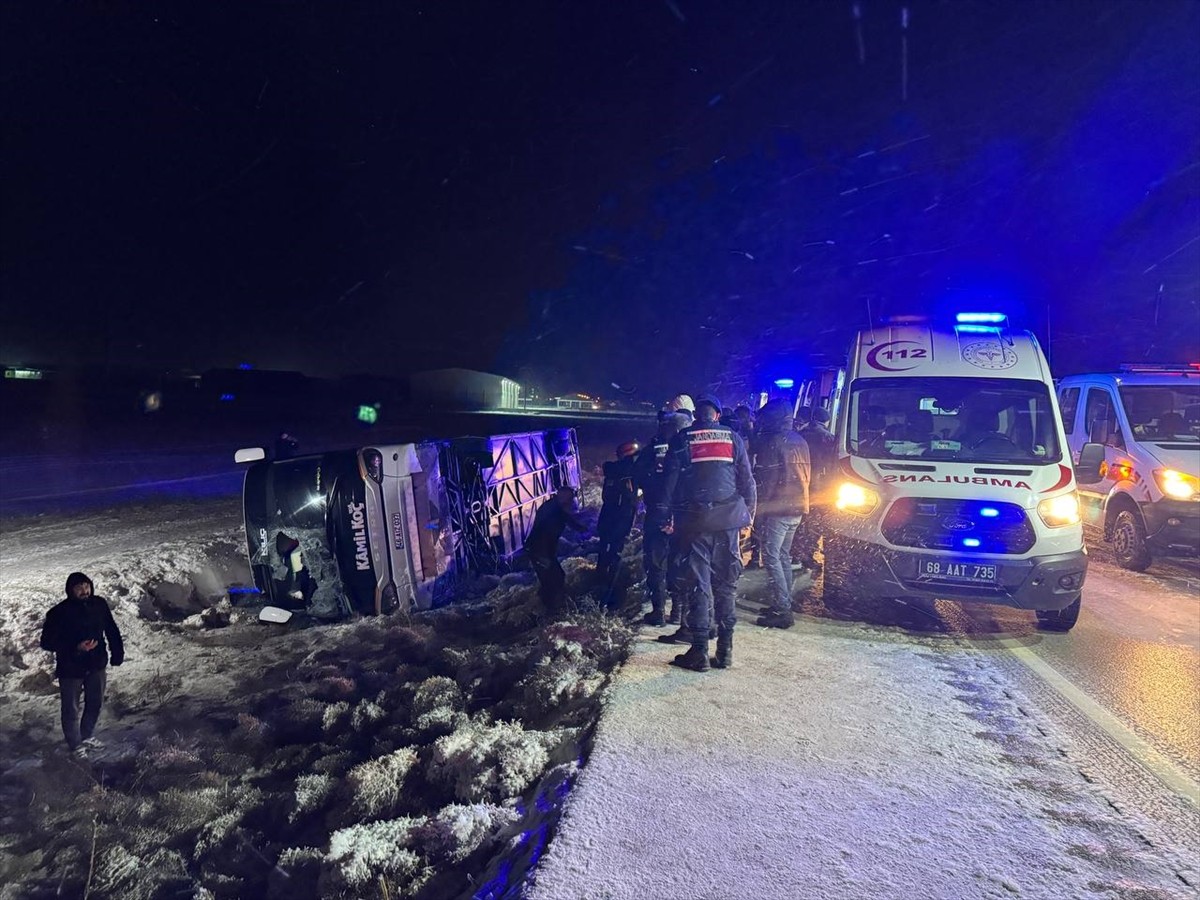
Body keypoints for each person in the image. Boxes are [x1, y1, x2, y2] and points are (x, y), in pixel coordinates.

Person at [656, 393, 756, 671]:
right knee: (727, 583)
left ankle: (699, 651)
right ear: (717, 414)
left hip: (695, 520)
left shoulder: (683, 438)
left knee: (699, 581)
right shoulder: (732, 437)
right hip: (729, 519)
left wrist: (664, 515)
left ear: (696, 414)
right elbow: (747, 479)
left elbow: (670, 482)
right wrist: (749, 515)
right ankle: (725, 651)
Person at [39, 572, 125, 760]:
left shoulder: (99, 604)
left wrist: (117, 653)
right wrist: (75, 646)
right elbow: (46, 642)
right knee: (71, 709)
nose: (84, 590)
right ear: (70, 590)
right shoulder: (58, 612)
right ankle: (75, 744)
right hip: (71, 668)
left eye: (86, 586)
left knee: (95, 703)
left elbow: (111, 629)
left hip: (96, 663)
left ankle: (86, 736)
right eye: (79, 587)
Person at [752, 400, 811, 629]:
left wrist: (760, 509)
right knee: (783, 556)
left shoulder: (773, 441)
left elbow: (768, 481)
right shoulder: (800, 440)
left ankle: (783, 610)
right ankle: (783, 601)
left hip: (779, 507)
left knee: (771, 556)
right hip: (798, 505)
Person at [634, 411, 691, 626]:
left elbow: (638, 476)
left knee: (655, 563)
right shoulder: (689, 451)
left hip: (657, 512)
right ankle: (678, 611)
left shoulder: (652, 451)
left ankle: (658, 611)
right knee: (679, 563)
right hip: (684, 515)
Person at [524, 486, 587, 611]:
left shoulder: (559, 508)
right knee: (552, 580)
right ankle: (548, 610)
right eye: (569, 499)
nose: (570, 502)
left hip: (546, 550)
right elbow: (541, 534)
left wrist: (583, 530)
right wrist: (545, 558)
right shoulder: (550, 510)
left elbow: (568, 520)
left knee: (557, 577)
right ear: (561, 496)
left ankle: (548, 605)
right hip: (539, 551)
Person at [791, 406, 835, 573]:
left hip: (801, 484)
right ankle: (808, 556)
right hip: (821, 487)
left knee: (800, 522)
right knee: (816, 524)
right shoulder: (829, 438)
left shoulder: (799, 436)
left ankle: (796, 554)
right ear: (826, 421)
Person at [595, 441, 640, 594]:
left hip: (608, 518)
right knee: (615, 552)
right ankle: (609, 588)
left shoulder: (614, 471)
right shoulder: (627, 471)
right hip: (619, 519)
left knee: (605, 552)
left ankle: (601, 581)